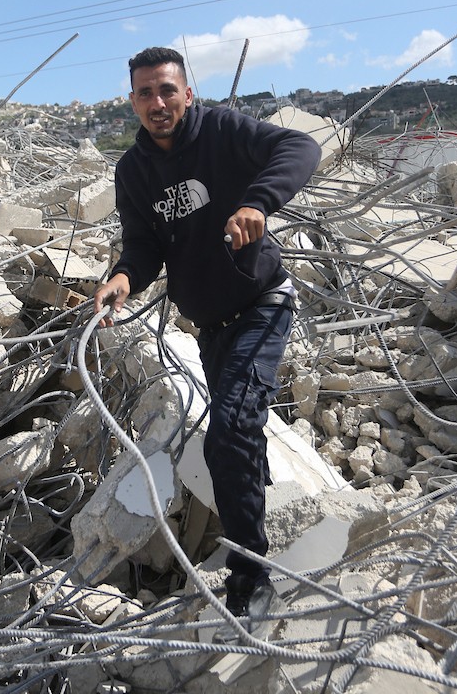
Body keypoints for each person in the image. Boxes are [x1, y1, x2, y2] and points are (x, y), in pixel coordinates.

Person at [93, 46, 319, 634]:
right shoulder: (134, 172)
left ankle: (251, 575)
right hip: (211, 326)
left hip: (262, 303)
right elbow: (143, 248)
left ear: (187, 94)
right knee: (238, 430)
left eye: (167, 90)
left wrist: (257, 201)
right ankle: (271, 516)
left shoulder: (221, 131)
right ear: (133, 102)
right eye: (145, 93)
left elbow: (300, 147)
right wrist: (122, 278)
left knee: (231, 428)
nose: (158, 102)